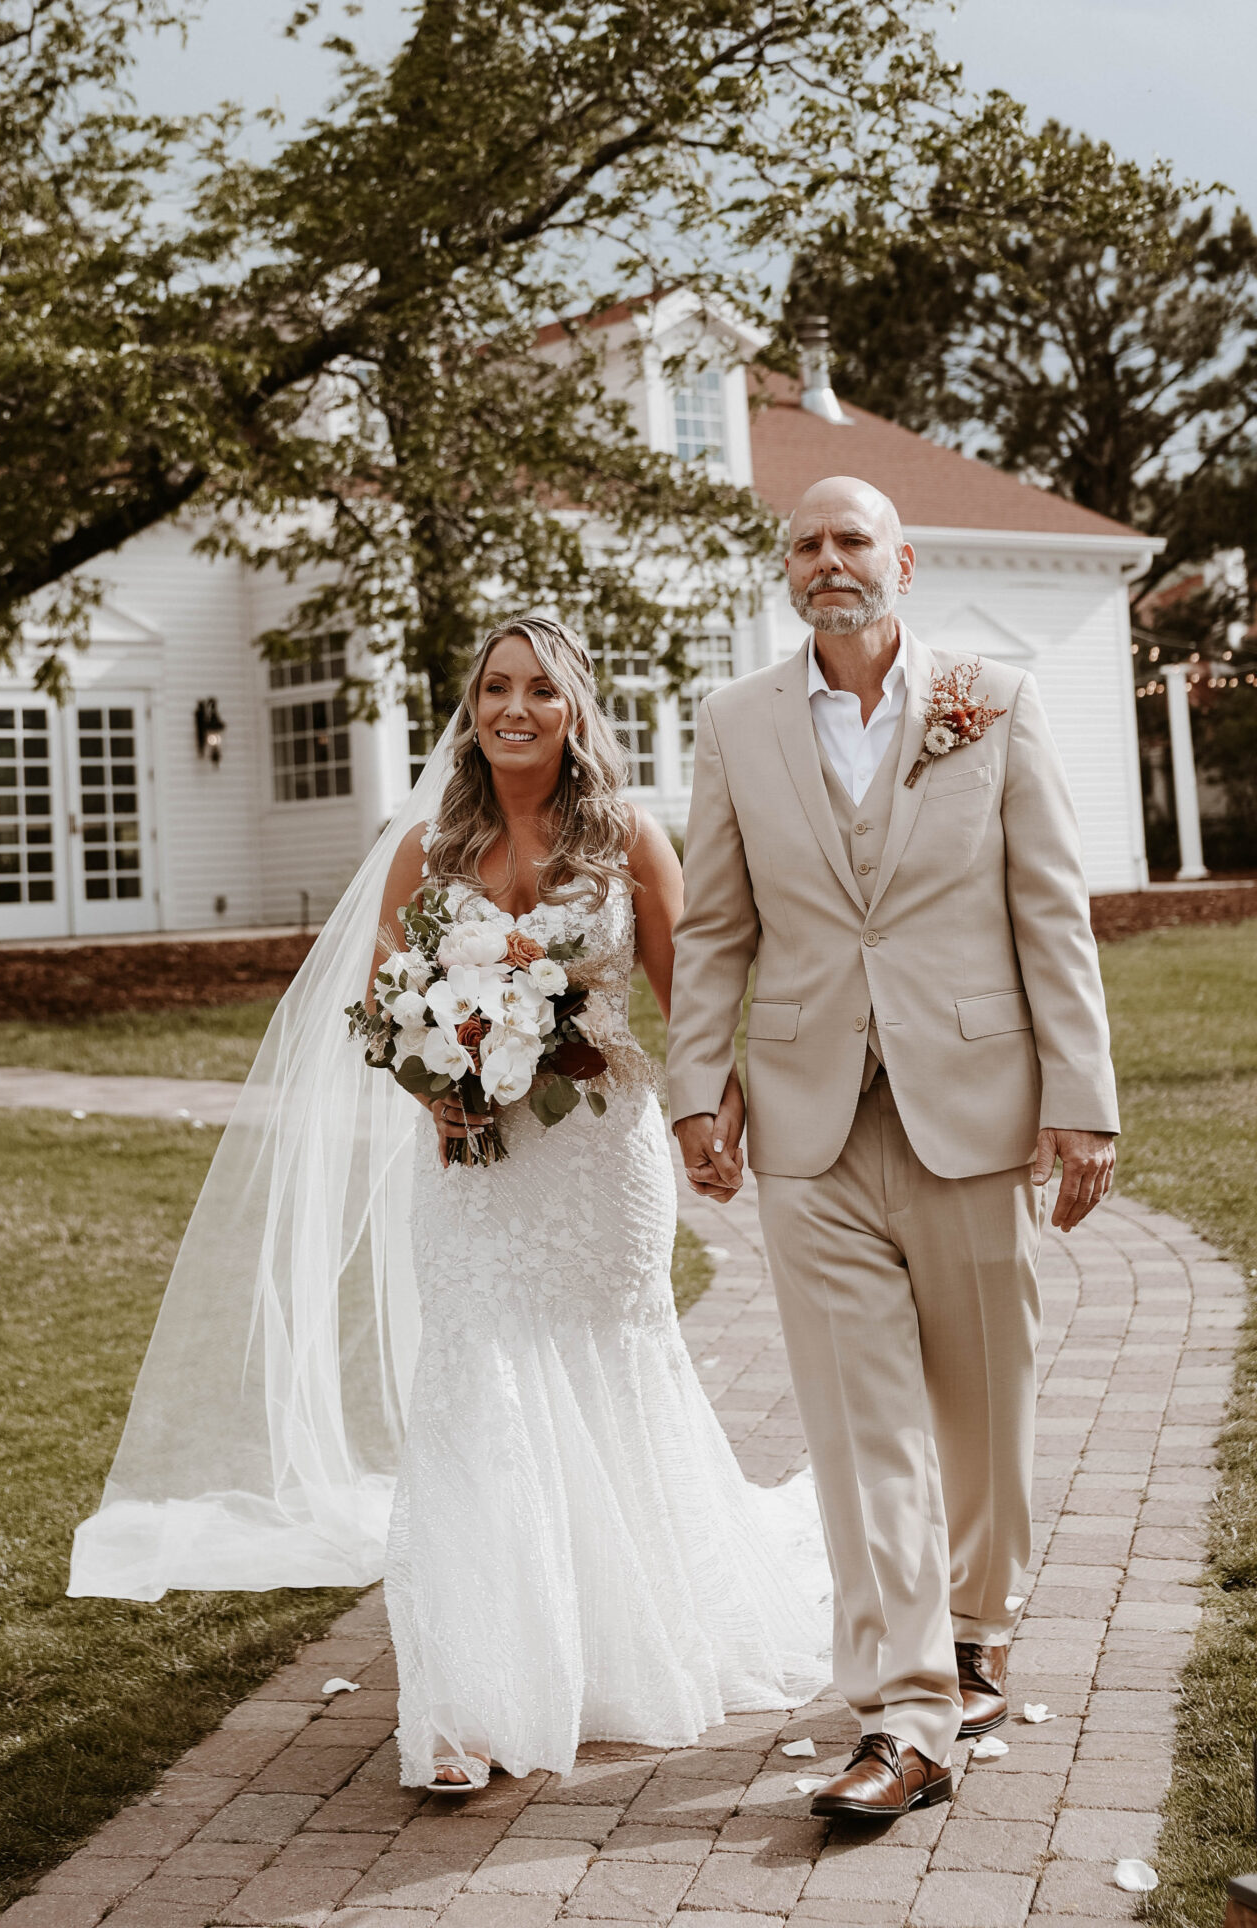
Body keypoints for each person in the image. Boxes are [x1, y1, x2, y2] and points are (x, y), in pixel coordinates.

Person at [666, 477, 1119, 1823]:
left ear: (899, 562)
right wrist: (698, 1084)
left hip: (973, 1112)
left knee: (984, 1406)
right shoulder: (733, 723)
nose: (825, 561)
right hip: (808, 1124)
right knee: (859, 1428)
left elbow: (1050, 911)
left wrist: (1078, 1093)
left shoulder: (993, 700)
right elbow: (713, 930)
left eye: (849, 539)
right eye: (802, 544)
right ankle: (904, 1714)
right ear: (785, 573)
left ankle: (977, 1623)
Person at [373, 617, 828, 1790]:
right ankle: (473, 1698)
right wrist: (434, 1090)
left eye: (538, 690)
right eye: (492, 687)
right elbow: (384, 1013)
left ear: (576, 710)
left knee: (605, 1370)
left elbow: (692, 1000)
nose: (512, 708)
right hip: (474, 1170)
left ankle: (620, 1641)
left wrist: (711, 1122)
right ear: (469, 706)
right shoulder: (423, 851)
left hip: (597, 1164)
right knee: (477, 1382)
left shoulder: (627, 842)